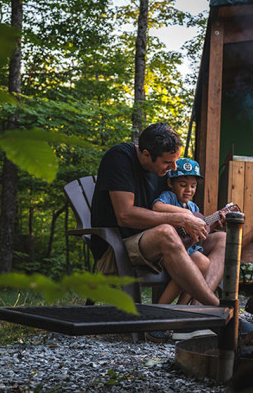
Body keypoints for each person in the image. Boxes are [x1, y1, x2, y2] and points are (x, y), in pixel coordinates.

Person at [91, 123, 223, 306]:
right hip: (116, 248)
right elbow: (125, 215)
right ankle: (217, 308)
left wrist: (207, 223)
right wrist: (181, 218)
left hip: (155, 245)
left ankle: (196, 313)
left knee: (221, 239)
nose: (173, 166)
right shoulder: (119, 158)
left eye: (175, 161)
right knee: (165, 232)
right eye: (168, 162)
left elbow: (174, 205)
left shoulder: (161, 169)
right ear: (146, 154)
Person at [151, 157, 215, 304]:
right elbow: (157, 207)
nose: (189, 190)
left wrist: (214, 223)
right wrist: (185, 215)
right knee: (202, 263)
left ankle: (182, 307)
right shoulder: (169, 197)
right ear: (170, 183)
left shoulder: (193, 207)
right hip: (169, 249)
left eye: (193, 186)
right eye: (183, 184)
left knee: (203, 264)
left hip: (188, 249)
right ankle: (162, 307)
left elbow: (198, 233)